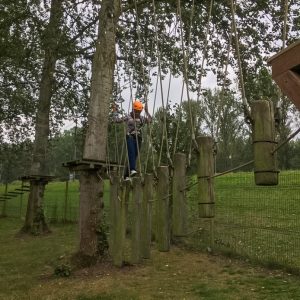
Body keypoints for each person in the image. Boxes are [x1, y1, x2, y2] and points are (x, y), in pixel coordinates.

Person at [113, 99, 152, 180]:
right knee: (131, 153)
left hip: (139, 139)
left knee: (134, 156)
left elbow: (150, 121)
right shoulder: (128, 116)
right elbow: (116, 120)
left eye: (139, 111)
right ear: (133, 110)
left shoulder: (141, 118)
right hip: (130, 137)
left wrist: (147, 111)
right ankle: (133, 170)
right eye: (137, 111)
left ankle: (126, 176)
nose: (138, 113)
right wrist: (115, 111)